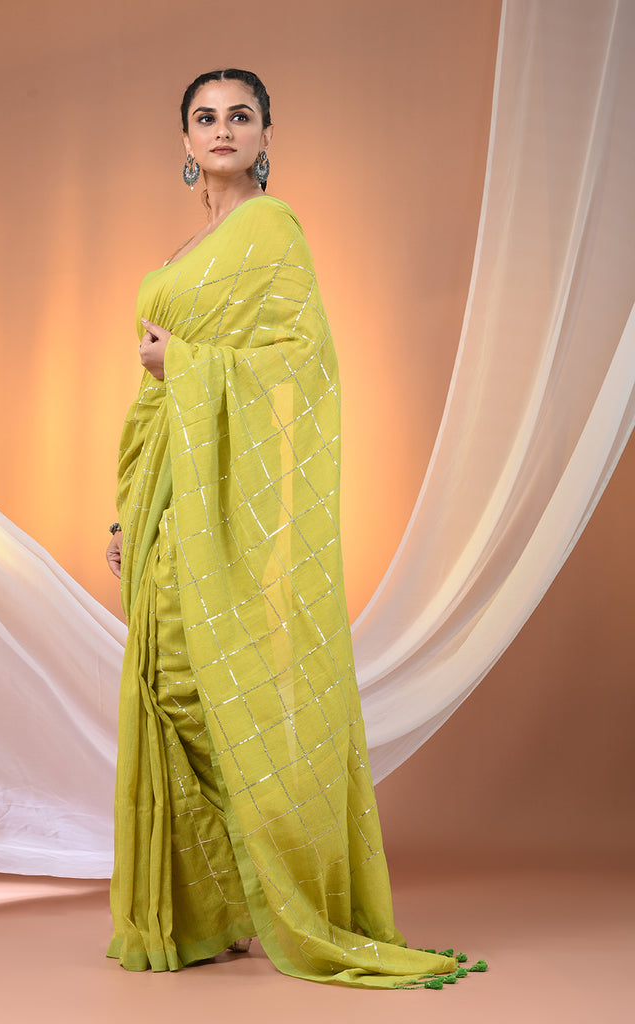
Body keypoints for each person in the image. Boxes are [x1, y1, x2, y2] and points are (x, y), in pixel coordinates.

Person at [104, 68, 481, 989]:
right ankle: (224, 906)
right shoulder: (185, 250)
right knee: (169, 684)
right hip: (167, 489)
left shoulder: (272, 231)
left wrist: (185, 361)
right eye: (205, 117)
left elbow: (300, 366)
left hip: (222, 495)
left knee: (215, 686)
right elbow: (151, 398)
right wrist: (127, 509)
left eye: (240, 116)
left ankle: (288, 894)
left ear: (267, 134)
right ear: (185, 141)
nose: (222, 129)